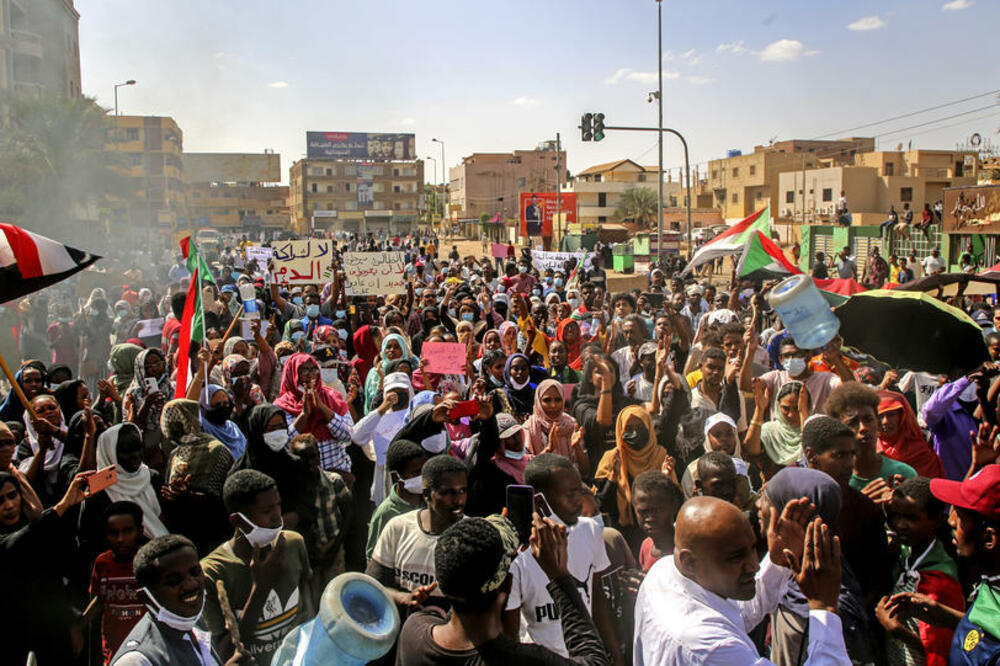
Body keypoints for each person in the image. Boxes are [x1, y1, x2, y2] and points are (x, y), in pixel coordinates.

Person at [633, 495, 850, 665]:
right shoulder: (710, 648)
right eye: (736, 557)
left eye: (753, 548)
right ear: (689, 561)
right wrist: (824, 607)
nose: (754, 565)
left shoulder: (663, 572)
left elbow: (737, 615)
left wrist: (778, 561)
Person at [397, 514, 612, 665]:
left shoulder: (413, 633)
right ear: (508, 585)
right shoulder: (525, 661)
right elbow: (594, 660)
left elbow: (463, 588)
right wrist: (560, 576)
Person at [503, 453, 621, 663]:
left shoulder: (591, 531)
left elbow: (598, 600)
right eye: (570, 495)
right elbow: (510, 634)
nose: (579, 502)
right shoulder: (517, 554)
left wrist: (617, 656)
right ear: (539, 500)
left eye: (579, 491)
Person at [201, 469, 312, 663]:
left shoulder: (293, 544)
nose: (278, 517)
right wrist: (261, 589)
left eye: (278, 506)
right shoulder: (213, 572)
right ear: (238, 520)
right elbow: (221, 655)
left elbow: (308, 610)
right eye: (267, 511)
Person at [111, 534, 244, 665]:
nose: (191, 584)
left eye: (195, 572)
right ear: (146, 597)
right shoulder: (136, 660)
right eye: (174, 581)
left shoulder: (197, 626)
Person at [876, 477, 964, 666]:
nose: (900, 525)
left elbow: (942, 652)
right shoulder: (905, 554)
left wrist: (897, 631)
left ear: (938, 520)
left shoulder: (941, 581)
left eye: (911, 518)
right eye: (895, 516)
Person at [367, 454, 468, 609]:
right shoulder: (398, 528)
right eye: (448, 493)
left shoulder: (472, 536)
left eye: (462, 491)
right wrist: (403, 597)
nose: (458, 500)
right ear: (427, 494)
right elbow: (373, 586)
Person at [824, 382, 917, 501]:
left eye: (868, 419)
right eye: (853, 423)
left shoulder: (904, 473)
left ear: (878, 423)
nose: (863, 428)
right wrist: (860, 505)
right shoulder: (833, 481)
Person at [594, 405, 668, 546]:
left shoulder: (660, 455)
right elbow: (600, 503)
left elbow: (674, 502)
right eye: (629, 428)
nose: (635, 432)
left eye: (640, 426)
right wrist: (613, 477)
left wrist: (665, 478)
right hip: (623, 534)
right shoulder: (612, 458)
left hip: (657, 534)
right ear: (620, 430)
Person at [85, 501, 146, 665]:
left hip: (145, 649)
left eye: (127, 531)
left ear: (139, 531)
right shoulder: (102, 563)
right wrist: (79, 625)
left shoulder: (150, 562)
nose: (120, 539)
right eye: (113, 533)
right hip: (114, 651)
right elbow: (99, 600)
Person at [366, 438, 427, 560]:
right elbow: (373, 558)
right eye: (415, 473)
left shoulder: (429, 502)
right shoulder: (386, 513)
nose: (421, 477)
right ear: (396, 476)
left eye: (423, 471)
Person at [876, 390, 945, 479]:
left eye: (891, 415)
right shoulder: (867, 449)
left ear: (901, 417)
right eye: (880, 416)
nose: (885, 421)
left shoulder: (920, 452)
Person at [524, 378, 586, 472]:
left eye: (558, 400)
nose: (553, 405)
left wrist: (577, 447)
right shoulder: (528, 428)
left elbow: (585, 470)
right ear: (538, 402)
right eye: (547, 400)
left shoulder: (571, 424)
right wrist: (549, 449)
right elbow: (526, 470)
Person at [631, 469, 684, 572]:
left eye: (658, 510)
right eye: (643, 512)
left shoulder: (685, 551)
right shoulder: (646, 546)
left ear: (674, 506)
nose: (650, 519)